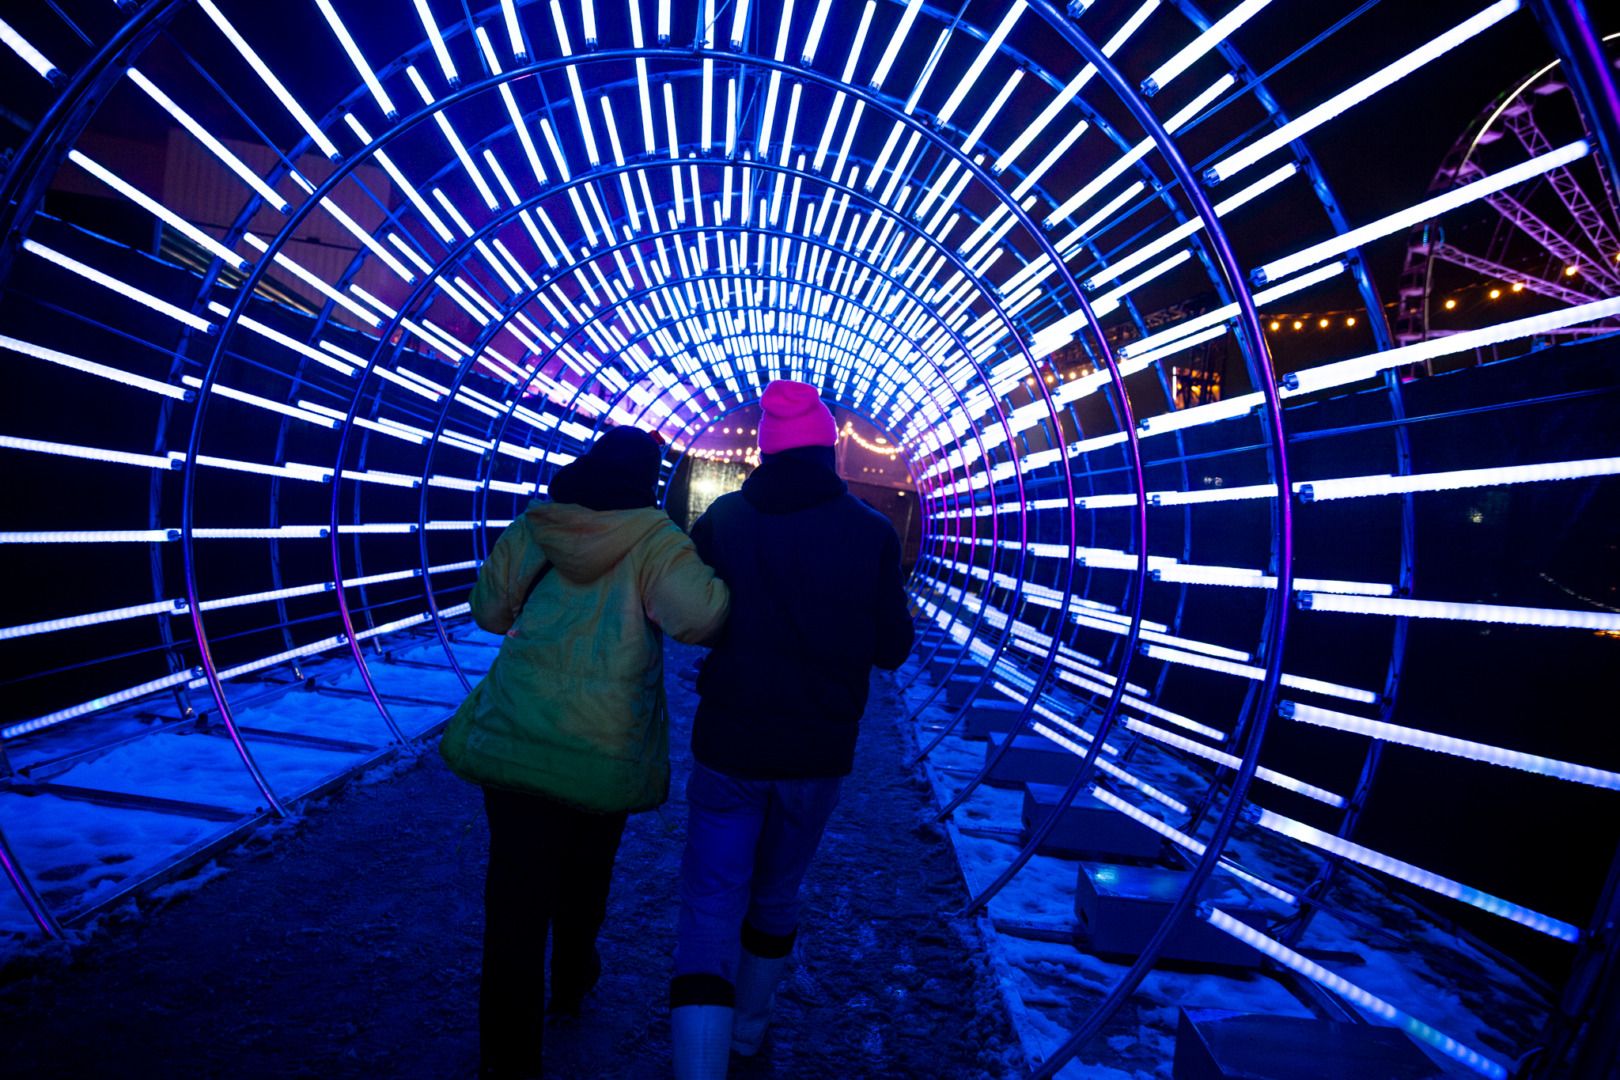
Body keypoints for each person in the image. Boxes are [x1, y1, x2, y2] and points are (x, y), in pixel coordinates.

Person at [440, 425, 730, 1080]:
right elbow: (699, 618)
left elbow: (488, 610)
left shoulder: (536, 525)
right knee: (587, 875)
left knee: (512, 904)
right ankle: (572, 978)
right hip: (604, 745)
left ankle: (508, 1064)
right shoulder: (655, 539)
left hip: (516, 735)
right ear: (648, 478)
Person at [668, 380, 915, 1078]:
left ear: (766, 453)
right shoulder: (872, 531)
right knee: (776, 892)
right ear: (829, 452)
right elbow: (892, 650)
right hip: (817, 753)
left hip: (728, 743)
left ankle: (699, 1067)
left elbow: (690, 612)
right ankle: (747, 1035)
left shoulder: (724, 520)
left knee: (709, 901)